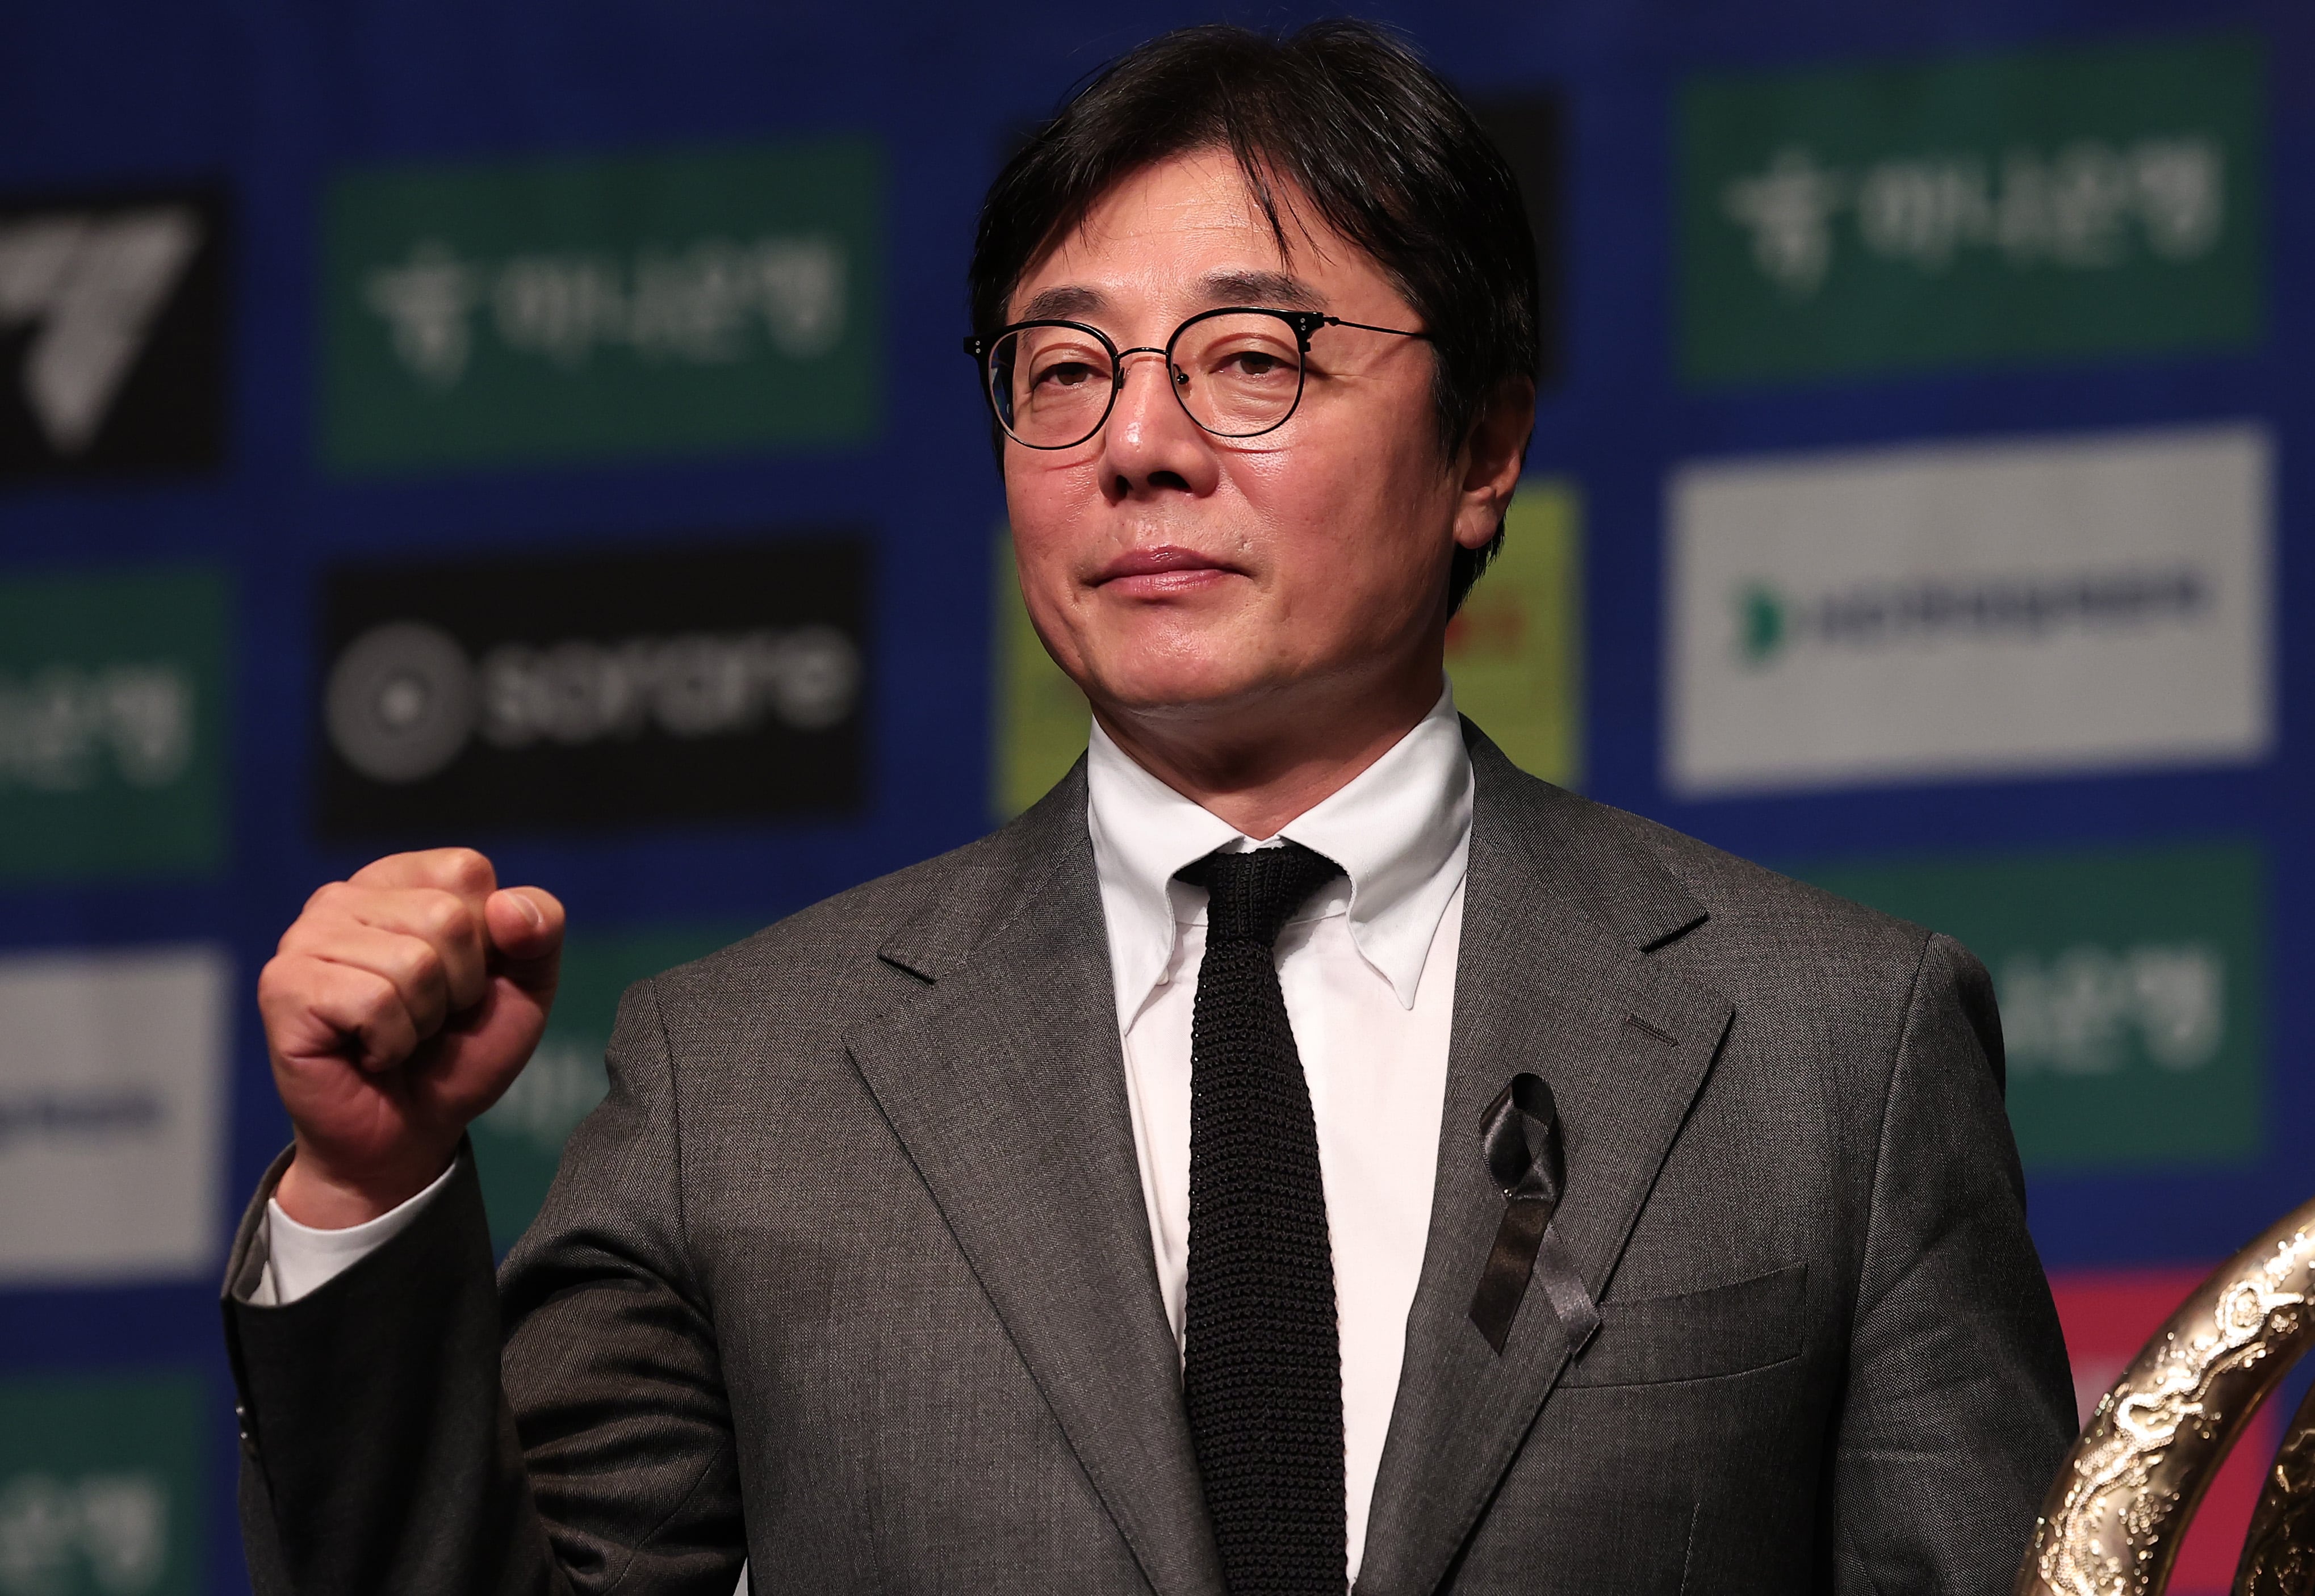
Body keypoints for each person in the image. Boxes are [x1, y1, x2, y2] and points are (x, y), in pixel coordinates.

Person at [223, 20, 2074, 1594]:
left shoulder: (1835, 1048)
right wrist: (368, 1192)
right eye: (1063, 371)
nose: (1139, 443)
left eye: (1254, 358)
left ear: (1485, 444)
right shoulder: (744, 1082)